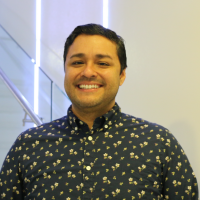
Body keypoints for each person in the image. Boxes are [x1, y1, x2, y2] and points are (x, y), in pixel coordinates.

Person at [0, 23, 198, 200]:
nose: (87, 72)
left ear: (121, 75)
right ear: (65, 71)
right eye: (77, 62)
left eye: (102, 63)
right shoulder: (27, 147)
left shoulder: (160, 144)